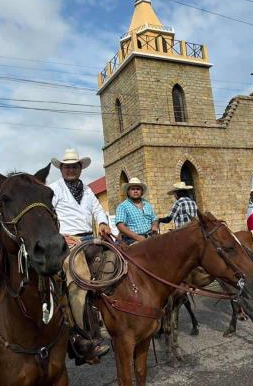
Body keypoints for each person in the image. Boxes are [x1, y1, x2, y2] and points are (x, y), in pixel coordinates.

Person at [48, 148, 111, 361]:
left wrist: (102, 222)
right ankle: (83, 334)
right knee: (80, 277)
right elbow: (48, 216)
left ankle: (117, 317)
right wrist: (60, 235)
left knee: (118, 264)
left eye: (74, 166)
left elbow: (97, 209)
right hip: (67, 240)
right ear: (62, 169)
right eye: (67, 166)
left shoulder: (87, 189)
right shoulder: (54, 189)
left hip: (89, 238)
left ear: (80, 168)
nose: (71, 169)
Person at [115, 178, 159, 245]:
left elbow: (154, 219)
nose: (135, 191)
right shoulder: (123, 206)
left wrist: (155, 226)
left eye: (138, 189)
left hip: (149, 236)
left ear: (141, 192)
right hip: (131, 239)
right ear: (128, 192)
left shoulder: (147, 204)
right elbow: (120, 225)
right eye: (133, 189)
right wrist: (137, 237)